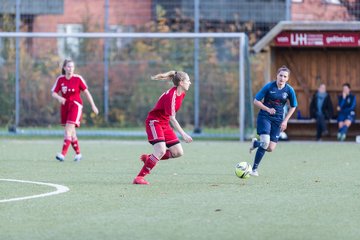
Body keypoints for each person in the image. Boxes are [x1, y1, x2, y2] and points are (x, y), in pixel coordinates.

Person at [133, 70, 193, 185]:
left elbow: (168, 117)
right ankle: (139, 177)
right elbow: (172, 118)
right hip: (154, 122)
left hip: (164, 124)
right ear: (181, 82)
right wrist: (183, 134)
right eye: (188, 80)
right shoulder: (172, 96)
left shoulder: (182, 94)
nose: (190, 83)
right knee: (161, 150)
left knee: (178, 152)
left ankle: (150, 159)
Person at [249, 65, 297, 176]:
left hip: (278, 120)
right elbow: (256, 101)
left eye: (285, 76)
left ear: (287, 78)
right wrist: (267, 109)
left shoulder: (289, 90)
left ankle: (256, 143)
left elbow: (293, 106)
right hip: (265, 117)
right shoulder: (269, 87)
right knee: (265, 142)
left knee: (270, 148)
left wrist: (285, 121)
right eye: (280, 75)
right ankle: (254, 169)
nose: (282, 78)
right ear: (277, 75)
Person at [51, 59, 99, 162]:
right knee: (72, 133)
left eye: (72, 67)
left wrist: (93, 106)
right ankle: (78, 153)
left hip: (76, 106)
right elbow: (54, 93)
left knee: (68, 130)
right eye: (68, 66)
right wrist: (60, 98)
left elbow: (87, 93)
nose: (70, 69)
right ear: (64, 68)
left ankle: (62, 154)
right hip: (65, 107)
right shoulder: (60, 79)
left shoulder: (78, 79)